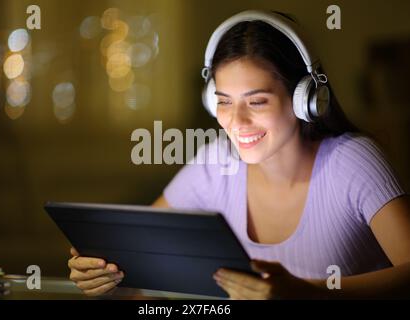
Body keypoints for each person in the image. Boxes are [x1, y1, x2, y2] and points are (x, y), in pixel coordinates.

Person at [67, 10, 410, 299]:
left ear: (306, 99)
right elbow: (139, 256)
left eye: (257, 101)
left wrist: (307, 295)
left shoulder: (352, 161)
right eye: (224, 101)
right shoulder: (215, 163)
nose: (237, 121)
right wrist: (103, 271)